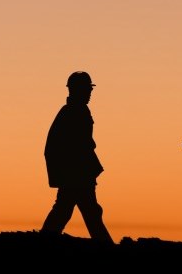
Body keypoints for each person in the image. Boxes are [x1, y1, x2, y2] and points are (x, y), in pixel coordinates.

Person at [40, 71, 114, 244]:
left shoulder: (75, 111)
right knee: (86, 212)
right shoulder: (74, 112)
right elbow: (78, 146)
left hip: (76, 174)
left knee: (69, 210)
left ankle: (44, 240)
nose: (89, 94)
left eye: (89, 90)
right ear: (76, 90)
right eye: (86, 90)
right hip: (77, 175)